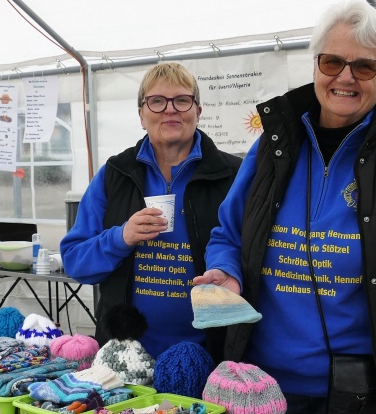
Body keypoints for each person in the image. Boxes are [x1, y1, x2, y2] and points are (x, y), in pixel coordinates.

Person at [193, 0, 376, 414]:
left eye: (364, 66)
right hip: (261, 388)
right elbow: (227, 234)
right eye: (333, 61)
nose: (345, 77)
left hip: (361, 393)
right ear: (316, 64)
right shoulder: (271, 147)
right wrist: (227, 272)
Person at [61, 62, 241, 357]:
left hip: (212, 353)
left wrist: (227, 269)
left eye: (182, 100)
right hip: (123, 356)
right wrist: (121, 237)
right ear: (142, 115)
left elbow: (255, 252)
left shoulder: (232, 175)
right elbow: (75, 262)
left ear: (198, 110)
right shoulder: (115, 174)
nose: (170, 110)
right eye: (156, 101)